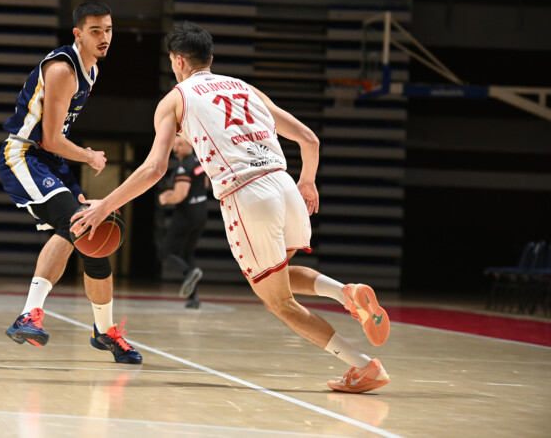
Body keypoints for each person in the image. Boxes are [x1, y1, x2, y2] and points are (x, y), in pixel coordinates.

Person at [72, 22, 391, 392]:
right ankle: (344, 292)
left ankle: (363, 366)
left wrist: (104, 205)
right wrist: (307, 181)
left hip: (247, 194)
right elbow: (309, 139)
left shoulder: (175, 99)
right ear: (210, 58)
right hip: (285, 185)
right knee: (279, 274)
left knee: (279, 302)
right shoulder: (245, 87)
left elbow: (155, 168)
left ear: (178, 61)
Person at [0, 1, 142, 364]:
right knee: (74, 223)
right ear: (78, 34)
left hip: (50, 160)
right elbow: (50, 138)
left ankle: (104, 331)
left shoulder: (92, 71)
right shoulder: (63, 69)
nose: (104, 37)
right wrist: (89, 156)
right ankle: (28, 315)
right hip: (24, 154)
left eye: (108, 30)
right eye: (95, 31)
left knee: (95, 234)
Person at [157, 135, 208, 308]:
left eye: (179, 144)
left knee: (167, 253)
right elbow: (205, 184)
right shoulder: (200, 163)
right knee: (187, 254)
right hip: (202, 212)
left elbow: (180, 195)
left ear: (190, 144)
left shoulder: (183, 167)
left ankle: (189, 271)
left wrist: (165, 198)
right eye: (174, 145)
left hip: (186, 214)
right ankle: (193, 298)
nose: (175, 149)